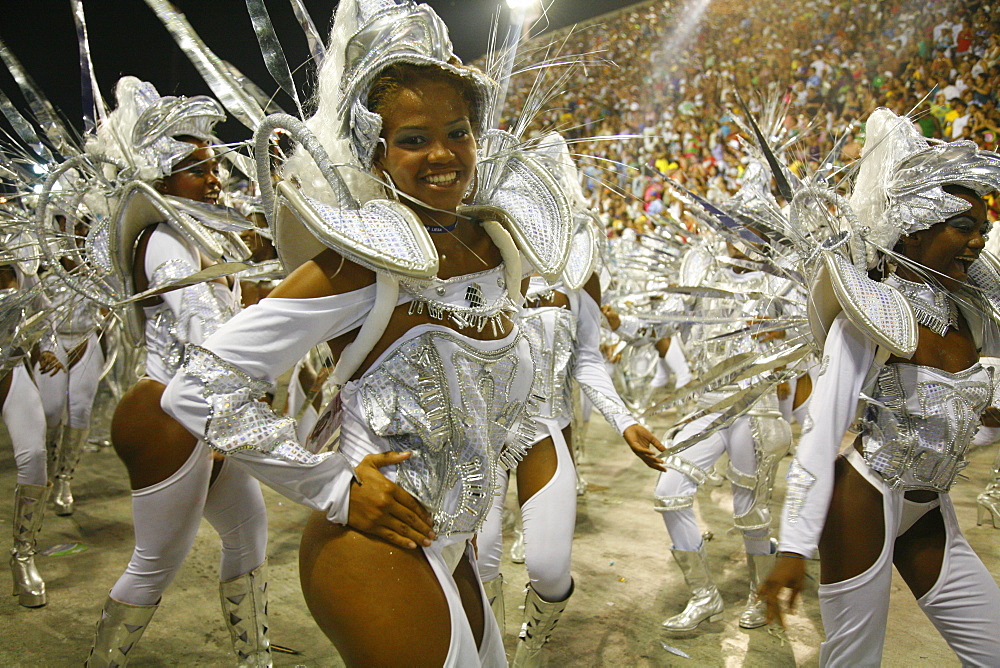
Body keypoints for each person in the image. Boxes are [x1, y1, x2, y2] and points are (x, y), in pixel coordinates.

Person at [162, 1, 608, 664]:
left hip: (451, 542)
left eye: (457, 132)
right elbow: (197, 391)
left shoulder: (502, 245)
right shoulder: (358, 263)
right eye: (412, 138)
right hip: (374, 550)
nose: (441, 154)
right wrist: (332, 487)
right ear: (373, 150)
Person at [761, 108, 1000, 666]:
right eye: (963, 228)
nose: (976, 244)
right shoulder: (870, 310)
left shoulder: (971, 313)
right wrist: (794, 546)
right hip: (864, 499)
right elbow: (821, 435)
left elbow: (967, 409)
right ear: (917, 226)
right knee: (854, 660)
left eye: (983, 232)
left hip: (931, 505)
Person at [84, 78, 270, 667]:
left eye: (213, 166)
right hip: (175, 411)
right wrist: (219, 423)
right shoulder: (166, 238)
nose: (213, 178)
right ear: (164, 180)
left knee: (249, 532)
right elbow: (200, 336)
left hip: (207, 411)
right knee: (157, 560)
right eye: (196, 169)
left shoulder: (193, 235)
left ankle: (255, 656)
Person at [477, 222, 666, 665]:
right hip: (480, 432)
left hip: (544, 425)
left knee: (549, 567)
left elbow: (586, 356)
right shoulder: (471, 252)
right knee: (479, 560)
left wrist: (624, 420)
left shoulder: (576, 270)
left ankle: (530, 656)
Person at [1, 249, 52, 607]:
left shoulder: (22, 256)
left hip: (12, 367)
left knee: (34, 454)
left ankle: (23, 554)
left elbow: (44, 310)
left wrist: (46, 347)